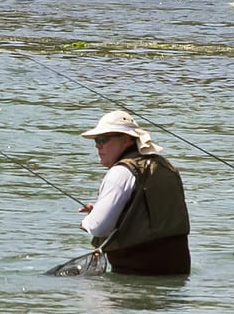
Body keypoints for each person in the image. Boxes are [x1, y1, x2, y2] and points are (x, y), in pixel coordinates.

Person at [79, 110, 191, 275]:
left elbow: (99, 227)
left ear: (125, 140)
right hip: (178, 269)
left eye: (103, 139)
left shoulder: (120, 172)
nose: (98, 146)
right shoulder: (165, 166)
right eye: (96, 141)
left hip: (137, 271)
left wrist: (87, 222)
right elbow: (150, 216)